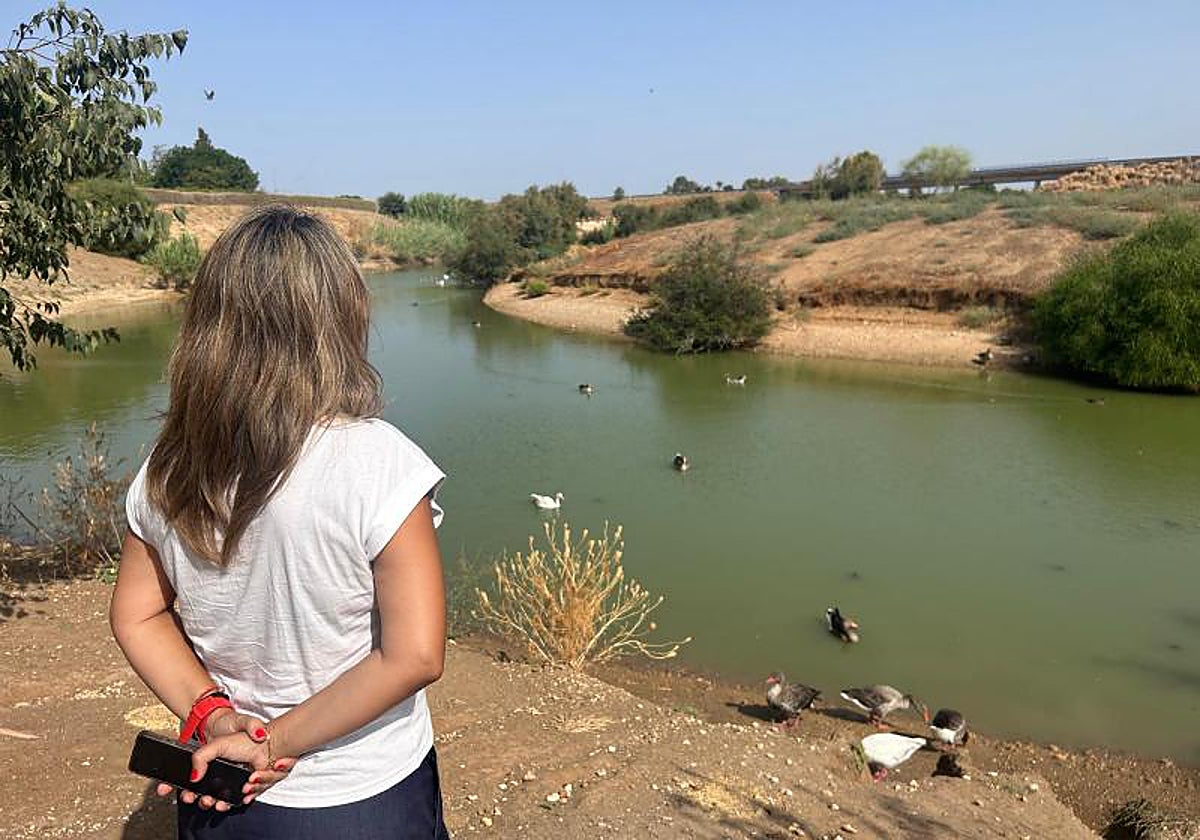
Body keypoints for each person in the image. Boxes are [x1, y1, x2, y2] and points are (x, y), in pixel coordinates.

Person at [110, 205, 451, 839]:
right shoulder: (379, 461)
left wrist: (212, 716)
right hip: (363, 794)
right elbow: (416, 655)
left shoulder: (170, 464)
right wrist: (271, 743)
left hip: (222, 791)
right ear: (341, 317)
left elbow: (136, 614)